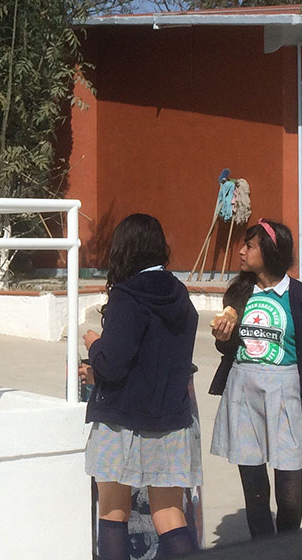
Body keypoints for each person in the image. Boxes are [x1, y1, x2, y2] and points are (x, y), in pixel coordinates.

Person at [80, 214, 202, 559]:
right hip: (171, 421)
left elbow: (113, 364)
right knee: (170, 516)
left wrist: (93, 344)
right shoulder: (180, 295)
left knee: (113, 513)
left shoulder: (126, 297)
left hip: (122, 420)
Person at [207, 218, 302, 539]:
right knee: (256, 492)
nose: (241, 251)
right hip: (243, 392)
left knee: (289, 497)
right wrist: (223, 337)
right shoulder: (238, 293)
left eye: (249, 246)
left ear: (271, 251)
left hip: (287, 394)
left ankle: (287, 549)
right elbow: (229, 349)